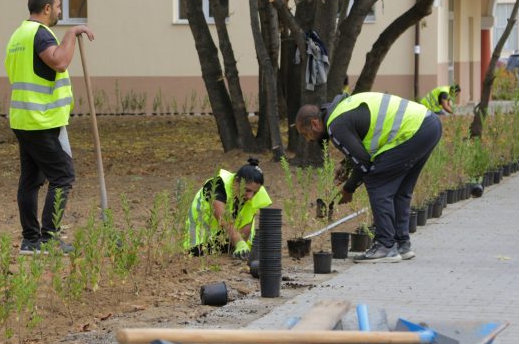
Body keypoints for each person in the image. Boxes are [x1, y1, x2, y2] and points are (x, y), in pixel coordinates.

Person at [295, 92, 442, 263]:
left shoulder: (335, 126)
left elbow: (365, 164)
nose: (308, 140)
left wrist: (349, 188)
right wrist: (347, 166)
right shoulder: (340, 110)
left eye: (305, 134)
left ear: (314, 123)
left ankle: (386, 246)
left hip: (413, 131)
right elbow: (361, 147)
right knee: (401, 189)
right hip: (429, 124)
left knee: (377, 181)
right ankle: (402, 244)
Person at [5, 0, 95, 255]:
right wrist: (70, 34)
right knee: (63, 175)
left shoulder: (18, 34)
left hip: (23, 118)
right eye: (57, 6)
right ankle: (47, 239)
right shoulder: (41, 34)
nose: (59, 11)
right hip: (40, 119)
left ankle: (31, 241)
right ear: (46, 8)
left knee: (30, 180)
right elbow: (59, 62)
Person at [184, 158, 272, 259]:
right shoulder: (217, 185)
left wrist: (242, 246)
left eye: (255, 192)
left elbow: (247, 224)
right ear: (236, 182)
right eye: (247, 190)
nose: (250, 196)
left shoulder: (255, 192)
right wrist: (239, 242)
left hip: (228, 245)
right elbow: (223, 219)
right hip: (199, 246)